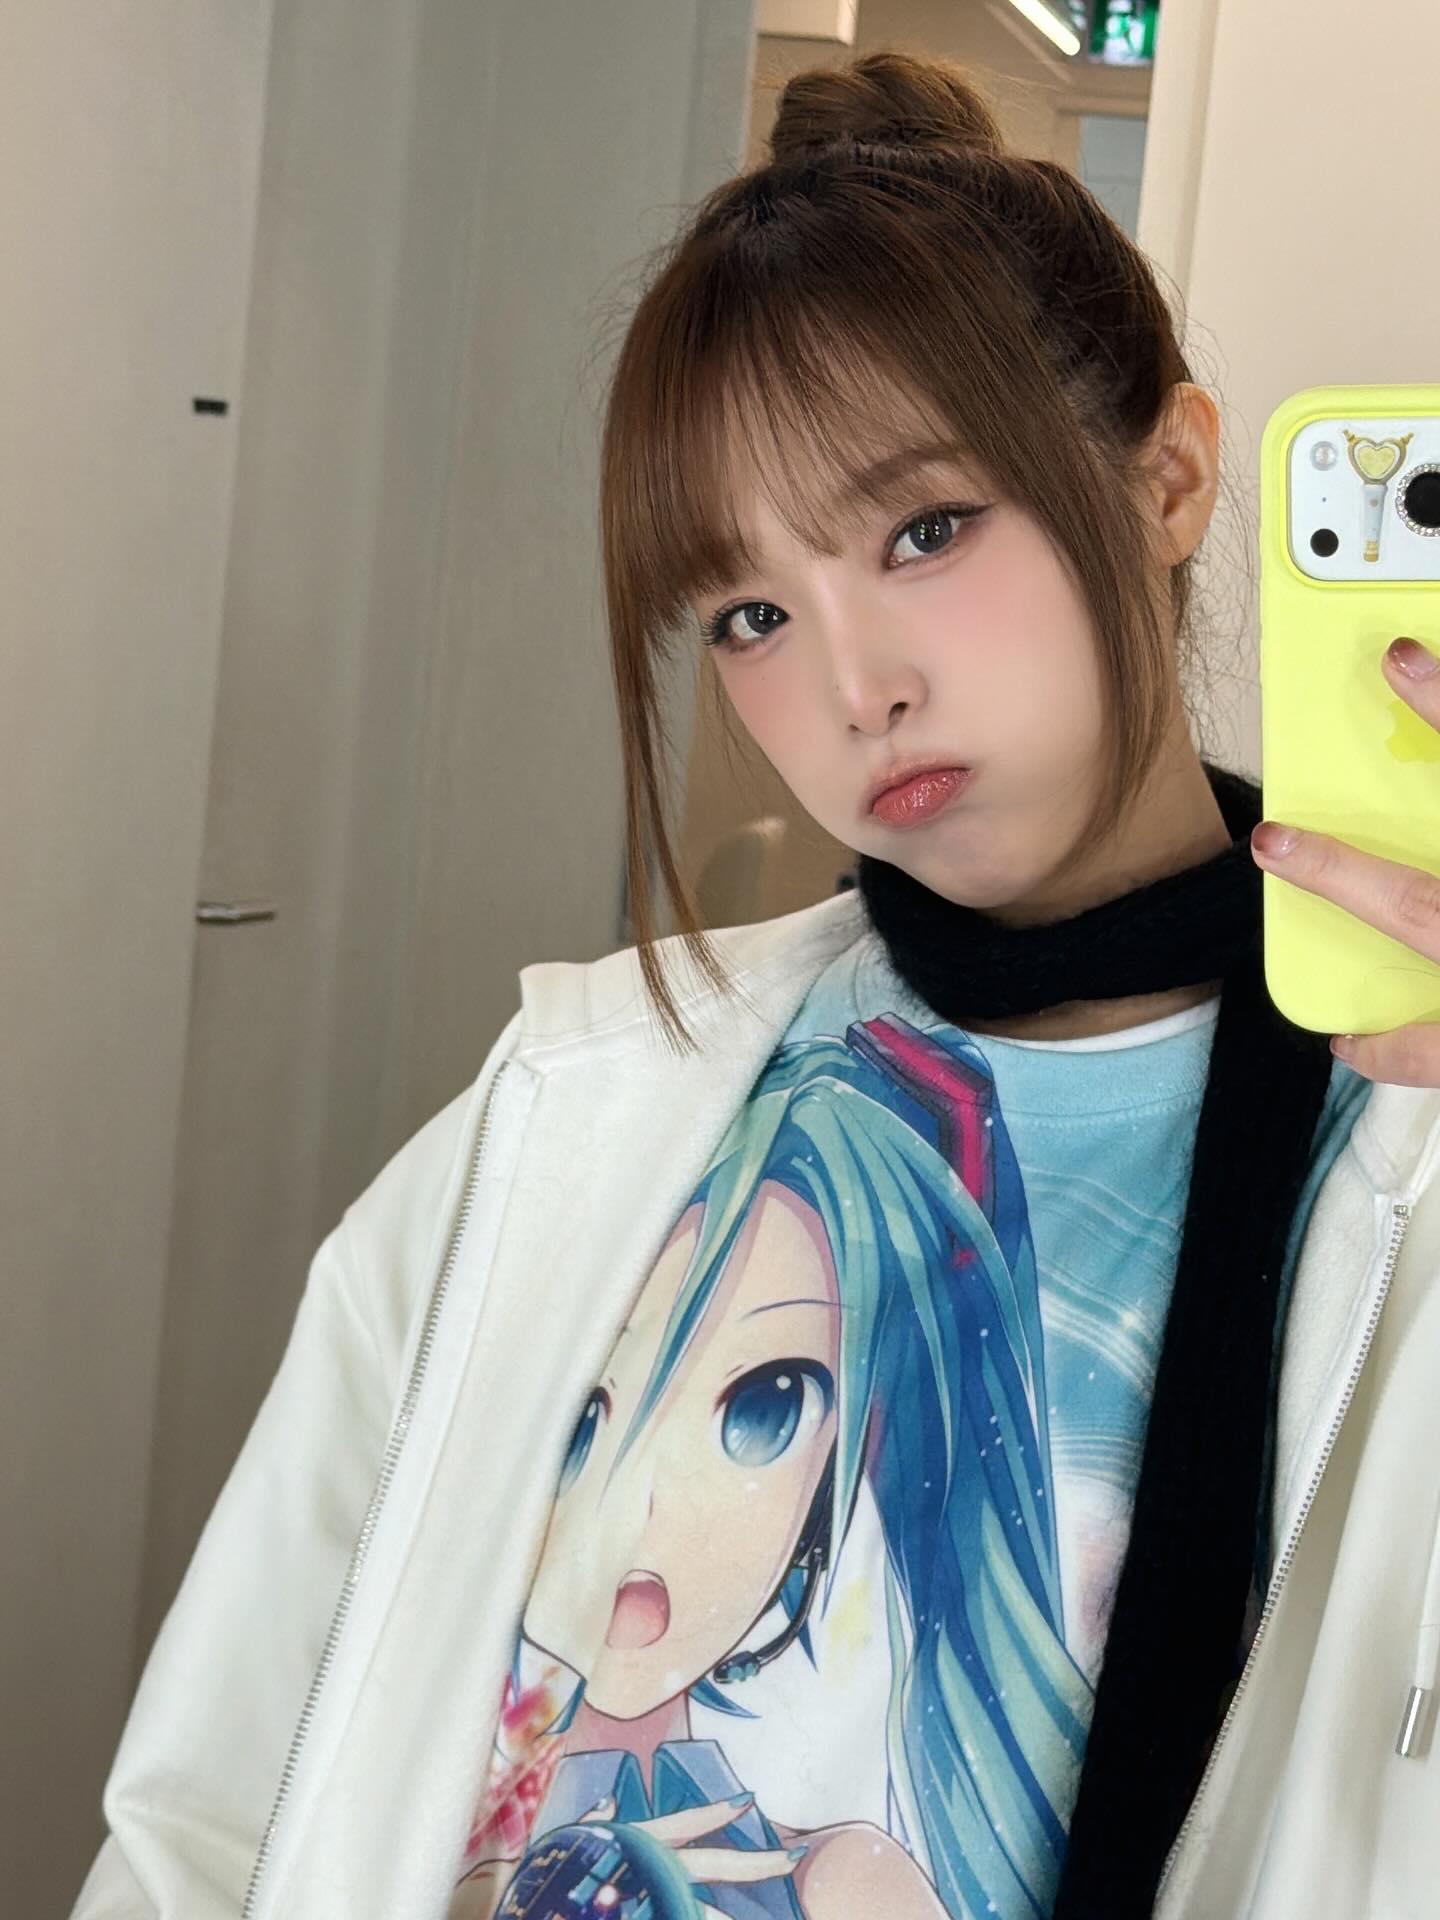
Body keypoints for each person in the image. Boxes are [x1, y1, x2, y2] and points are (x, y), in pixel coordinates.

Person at [73, 46, 1440, 1920]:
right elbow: (215, 1806)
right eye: (751, 614)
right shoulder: (576, 1104)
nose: (853, 686)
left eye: (925, 531)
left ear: (1172, 476)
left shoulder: (1406, 1130)